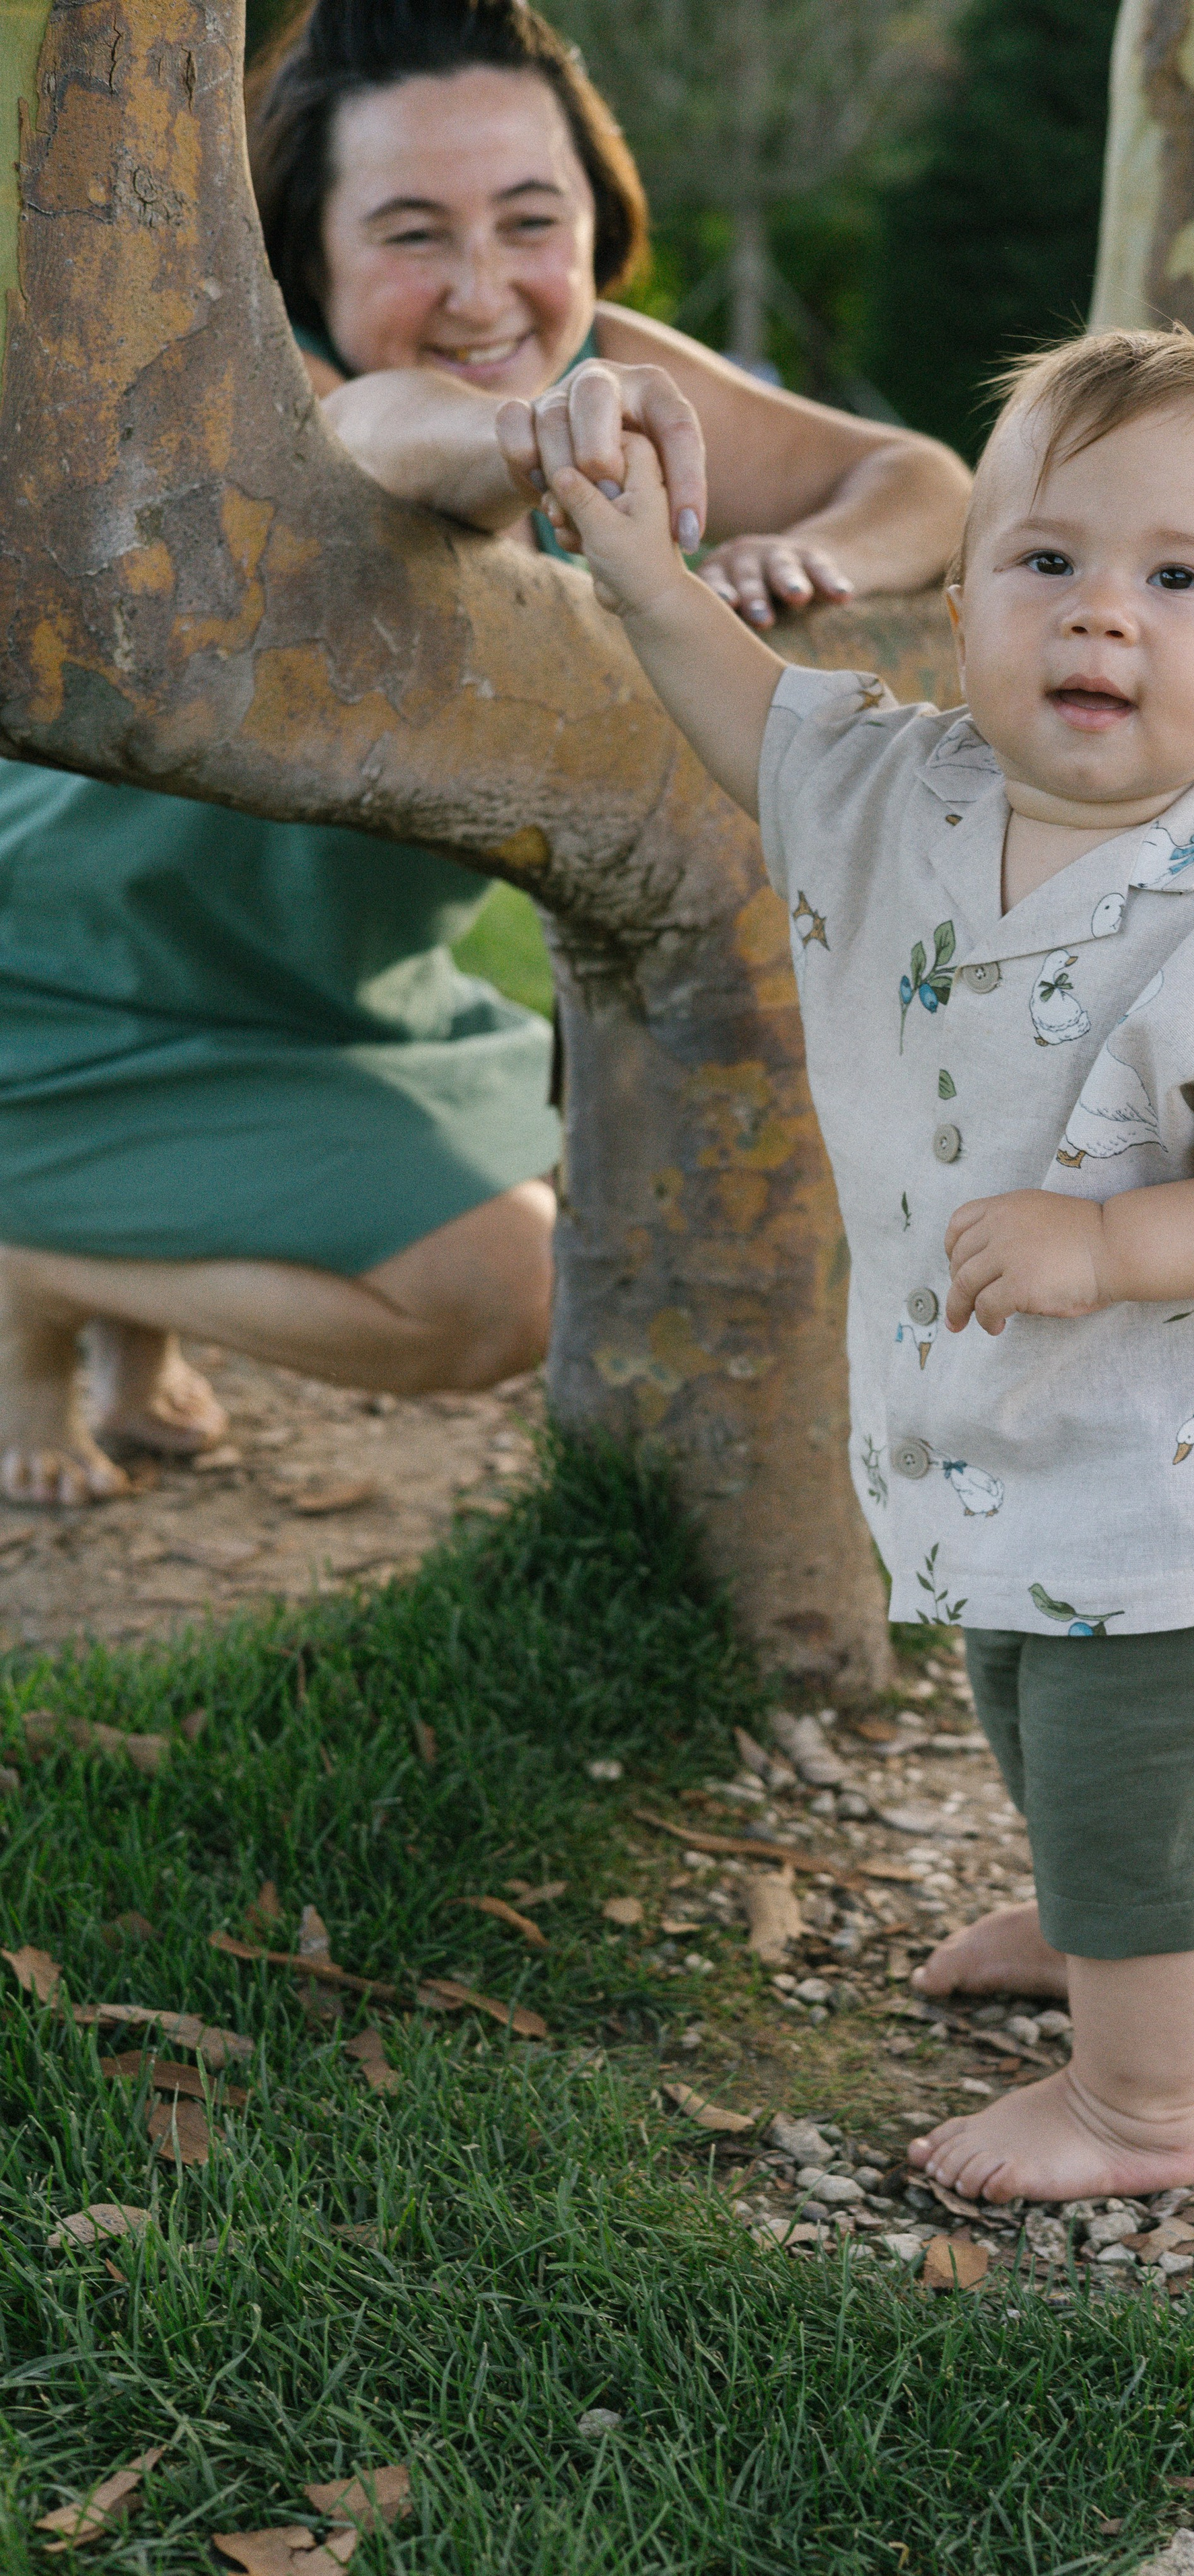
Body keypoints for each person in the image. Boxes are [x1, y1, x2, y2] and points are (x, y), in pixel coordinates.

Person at [503, 325, 1194, 2202]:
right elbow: (746, 713)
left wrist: (1110, 1237)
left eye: (1174, 578)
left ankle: (1139, 2102)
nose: (1101, 611)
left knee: (1143, 1756)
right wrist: (638, 568)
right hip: (1027, 1432)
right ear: (960, 614)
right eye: (1049, 559)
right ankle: (1096, 1912)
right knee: (1033, 1694)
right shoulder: (906, 790)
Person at [0, 0, 969, 1507]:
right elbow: (384, 434)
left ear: (594, 216)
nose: (482, 290)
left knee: (658, 1130)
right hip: (66, 992)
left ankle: (125, 1315)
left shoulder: (598, 365)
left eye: (530, 221)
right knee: (502, 1291)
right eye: (411, 235)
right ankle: (33, 1277)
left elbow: (921, 477)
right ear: (304, 254)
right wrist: (523, 439)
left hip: (325, 1005)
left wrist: (809, 556)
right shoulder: (260, 391)